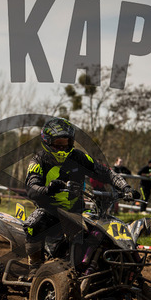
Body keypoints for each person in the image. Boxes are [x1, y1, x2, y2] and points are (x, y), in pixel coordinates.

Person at [23, 117, 134, 278]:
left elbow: (106, 172)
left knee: (102, 232)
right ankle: (35, 267)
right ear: (47, 142)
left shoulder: (79, 157)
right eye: (58, 143)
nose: (63, 147)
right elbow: (31, 187)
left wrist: (125, 187)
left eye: (66, 143)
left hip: (77, 212)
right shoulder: (38, 161)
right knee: (33, 224)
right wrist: (48, 189)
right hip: (50, 211)